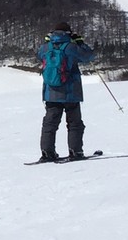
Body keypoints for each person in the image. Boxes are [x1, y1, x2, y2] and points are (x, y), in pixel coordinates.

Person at [35, 22, 98, 163]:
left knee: (50, 123)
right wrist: (80, 42)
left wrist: (46, 42)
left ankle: (47, 152)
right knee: (74, 123)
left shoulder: (46, 47)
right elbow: (88, 56)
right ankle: (75, 151)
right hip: (71, 92)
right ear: (68, 33)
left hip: (51, 92)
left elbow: (39, 55)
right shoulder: (71, 47)